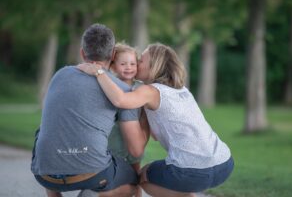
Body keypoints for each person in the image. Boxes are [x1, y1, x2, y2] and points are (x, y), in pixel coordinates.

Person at [77, 43, 234, 197]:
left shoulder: (151, 91)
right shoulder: (182, 90)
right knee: (169, 176)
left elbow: (120, 100)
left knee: (144, 176)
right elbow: (156, 135)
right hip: (224, 163)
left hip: (191, 171)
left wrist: (98, 72)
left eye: (141, 60)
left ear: (154, 66)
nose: (137, 63)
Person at [31, 23, 149, 197]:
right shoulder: (123, 90)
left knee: (42, 132)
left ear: (82, 53)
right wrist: (146, 119)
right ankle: (93, 194)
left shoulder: (60, 75)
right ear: (113, 55)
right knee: (133, 179)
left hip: (44, 175)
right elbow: (135, 151)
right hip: (93, 175)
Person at [108, 42, 144, 197]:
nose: (128, 67)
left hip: (134, 135)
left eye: (132, 64)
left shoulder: (141, 87)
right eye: (123, 64)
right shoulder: (111, 86)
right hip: (115, 136)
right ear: (114, 66)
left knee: (136, 171)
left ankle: (138, 193)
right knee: (114, 170)